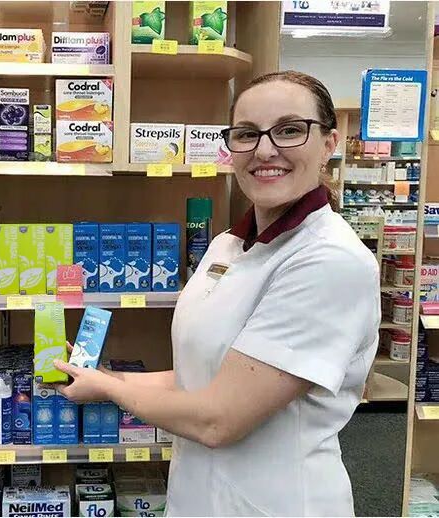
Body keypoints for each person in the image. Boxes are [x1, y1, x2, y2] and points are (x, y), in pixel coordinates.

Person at [51, 70, 380, 516]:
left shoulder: (329, 260)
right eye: (247, 133)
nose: (265, 150)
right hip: (199, 497)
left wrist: (111, 389)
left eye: (289, 130)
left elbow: (218, 419)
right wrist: (105, 378)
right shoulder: (227, 244)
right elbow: (198, 376)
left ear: (329, 143)